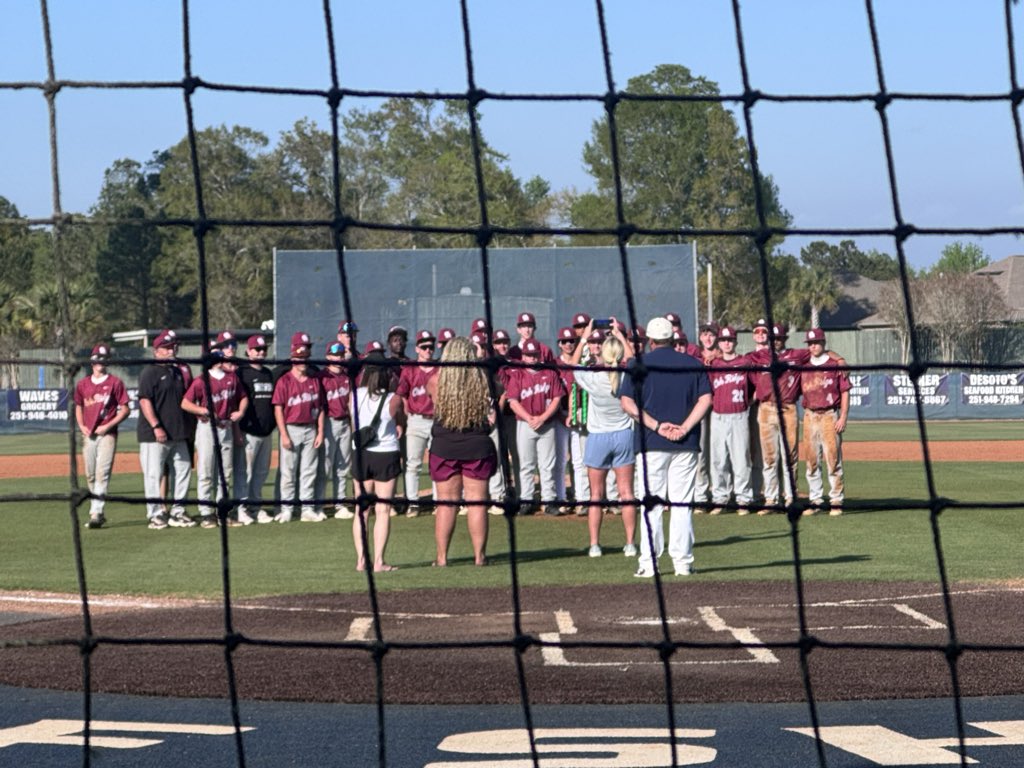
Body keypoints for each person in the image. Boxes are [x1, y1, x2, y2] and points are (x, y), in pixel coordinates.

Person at [619, 317, 711, 578]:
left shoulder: (637, 364)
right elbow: (706, 399)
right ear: (673, 337)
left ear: (649, 340)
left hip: (651, 444)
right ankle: (682, 563)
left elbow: (626, 403)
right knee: (682, 505)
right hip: (686, 443)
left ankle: (649, 564)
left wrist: (657, 426)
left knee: (652, 505)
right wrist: (684, 427)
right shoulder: (693, 363)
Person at [427, 336, 498, 566]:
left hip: (444, 445)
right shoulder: (483, 380)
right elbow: (501, 392)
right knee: (477, 502)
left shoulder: (435, 381)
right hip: (477, 445)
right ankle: (480, 556)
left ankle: (441, 558)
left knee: (446, 503)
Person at [571, 321, 637, 557]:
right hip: (623, 437)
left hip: (598, 438)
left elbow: (572, 364)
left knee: (596, 495)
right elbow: (633, 359)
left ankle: (595, 545)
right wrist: (620, 334)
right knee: (627, 493)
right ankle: (630, 544)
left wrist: (584, 338)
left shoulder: (593, 378)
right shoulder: (626, 375)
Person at [180, 346, 248, 528]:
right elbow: (185, 403)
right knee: (206, 471)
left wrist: (240, 412)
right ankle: (206, 513)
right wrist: (202, 410)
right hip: (206, 428)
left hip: (225, 426)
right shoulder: (201, 381)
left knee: (225, 472)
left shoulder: (231, 378)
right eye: (221, 359)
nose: (224, 362)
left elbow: (243, 397)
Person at [350, 351, 403, 572]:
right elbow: (398, 419)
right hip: (385, 452)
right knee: (382, 510)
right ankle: (379, 561)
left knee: (361, 511)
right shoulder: (393, 398)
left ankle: (361, 559)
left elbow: (353, 423)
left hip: (361, 453)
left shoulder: (354, 395)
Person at [138, 330, 196, 529]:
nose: (171, 350)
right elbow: (145, 401)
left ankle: (178, 511)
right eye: (166, 347)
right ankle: (155, 514)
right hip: (154, 435)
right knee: (153, 475)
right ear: (156, 351)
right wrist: (156, 426)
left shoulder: (179, 370)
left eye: (172, 346)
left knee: (183, 470)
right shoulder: (150, 371)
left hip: (179, 433)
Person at [506, 338, 566, 515]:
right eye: (528, 355)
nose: (532, 358)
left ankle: (549, 501)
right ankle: (527, 500)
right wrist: (530, 418)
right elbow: (512, 401)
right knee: (526, 464)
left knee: (547, 465)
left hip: (547, 424)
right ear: (523, 356)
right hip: (524, 424)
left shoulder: (550, 372)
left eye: (534, 354)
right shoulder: (517, 375)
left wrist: (543, 417)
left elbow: (557, 398)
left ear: (540, 354)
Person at [73, 343, 130, 529]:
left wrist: (108, 425)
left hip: (107, 434)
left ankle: (96, 512)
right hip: (89, 434)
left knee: (101, 474)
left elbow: (125, 409)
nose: (101, 362)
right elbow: (79, 405)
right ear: (92, 361)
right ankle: (98, 508)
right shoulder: (83, 384)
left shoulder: (115, 382)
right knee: (90, 475)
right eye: (98, 358)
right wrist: (81, 425)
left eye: (104, 359)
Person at [272, 331, 326, 523]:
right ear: (292, 358)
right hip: (291, 428)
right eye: (299, 358)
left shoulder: (313, 380)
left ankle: (307, 509)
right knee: (288, 472)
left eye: (305, 358)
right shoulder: (284, 381)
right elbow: (278, 409)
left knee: (309, 471)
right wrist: (284, 435)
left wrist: (320, 431)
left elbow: (319, 408)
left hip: (310, 429)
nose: (302, 362)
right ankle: (286, 509)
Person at [800, 328, 851, 515]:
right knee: (811, 461)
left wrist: (843, 416)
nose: (813, 346)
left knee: (833, 459)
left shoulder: (834, 364)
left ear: (823, 343)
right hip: (809, 415)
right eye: (810, 343)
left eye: (817, 342)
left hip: (830, 415)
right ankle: (815, 500)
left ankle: (836, 499)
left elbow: (845, 391)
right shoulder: (803, 364)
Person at [707, 326, 756, 515]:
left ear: (735, 342)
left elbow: (755, 387)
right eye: (723, 340)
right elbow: (709, 391)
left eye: (730, 340)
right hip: (718, 415)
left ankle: (743, 499)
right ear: (719, 343)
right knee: (718, 460)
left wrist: (748, 403)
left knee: (741, 459)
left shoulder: (745, 362)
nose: (727, 343)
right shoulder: (714, 365)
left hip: (739, 415)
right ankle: (720, 498)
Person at [234, 334, 276, 525]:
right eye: (256, 349)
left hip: (266, 432)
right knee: (246, 473)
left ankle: (255, 507)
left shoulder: (268, 373)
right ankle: (241, 509)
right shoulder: (241, 373)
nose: (260, 352)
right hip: (248, 432)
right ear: (248, 351)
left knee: (261, 474)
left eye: (263, 349)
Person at [396, 330, 439, 516]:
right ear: (417, 349)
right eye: (424, 347)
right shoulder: (410, 369)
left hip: (436, 421)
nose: (428, 350)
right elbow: (402, 394)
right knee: (413, 464)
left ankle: (439, 502)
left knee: (437, 464)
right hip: (416, 420)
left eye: (430, 346)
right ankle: (413, 503)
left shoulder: (440, 368)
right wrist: (406, 415)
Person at [554, 326, 588, 513]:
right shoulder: (555, 365)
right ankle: (561, 498)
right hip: (560, 417)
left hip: (578, 417)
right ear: (559, 344)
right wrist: (561, 415)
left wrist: (578, 414)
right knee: (560, 461)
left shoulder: (580, 364)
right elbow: (551, 393)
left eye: (571, 341)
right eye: (564, 341)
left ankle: (581, 498)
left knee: (579, 460)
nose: (568, 344)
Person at [319, 341, 355, 520]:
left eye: (341, 355)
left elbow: (349, 402)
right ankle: (318, 504)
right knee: (325, 466)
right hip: (328, 423)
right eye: (335, 355)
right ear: (328, 357)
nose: (338, 358)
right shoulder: (322, 376)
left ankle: (340, 504)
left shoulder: (347, 377)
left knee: (342, 465)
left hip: (344, 423)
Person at [692, 322, 719, 509]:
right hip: (699, 408)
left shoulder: (722, 357)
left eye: (711, 334)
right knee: (700, 452)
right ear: (700, 337)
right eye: (704, 334)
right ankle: (701, 495)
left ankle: (720, 494)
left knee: (718, 453)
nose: (708, 338)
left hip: (719, 408)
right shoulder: (694, 356)